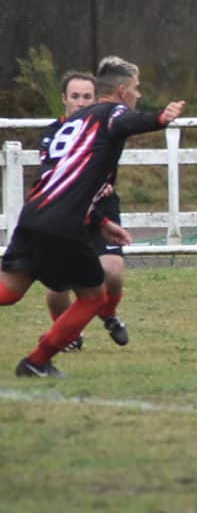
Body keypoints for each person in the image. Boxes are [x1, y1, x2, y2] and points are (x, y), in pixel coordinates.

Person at [1, 56, 184, 377]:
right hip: (63, 223)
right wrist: (160, 118)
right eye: (136, 88)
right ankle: (36, 362)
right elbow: (125, 122)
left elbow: (71, 178)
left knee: (9, 292)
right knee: (92, 298)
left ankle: (38, 362)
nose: (138, 94)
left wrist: (100, 221)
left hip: (35, 213)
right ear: (123, 91)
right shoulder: (109, 112)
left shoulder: (75, 123)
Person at [38, 70, 129, 352]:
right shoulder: (53, 134)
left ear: (96, 99)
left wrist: (104, 183)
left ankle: (108, 314)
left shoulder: (106, 128)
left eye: (87, 97)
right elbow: (51, 175)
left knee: (112, 272)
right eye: (75, 96)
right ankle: (68, 334)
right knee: (57, 287)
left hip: (101, 208)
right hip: (64, 212)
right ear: (64, 99)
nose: (80, 102)